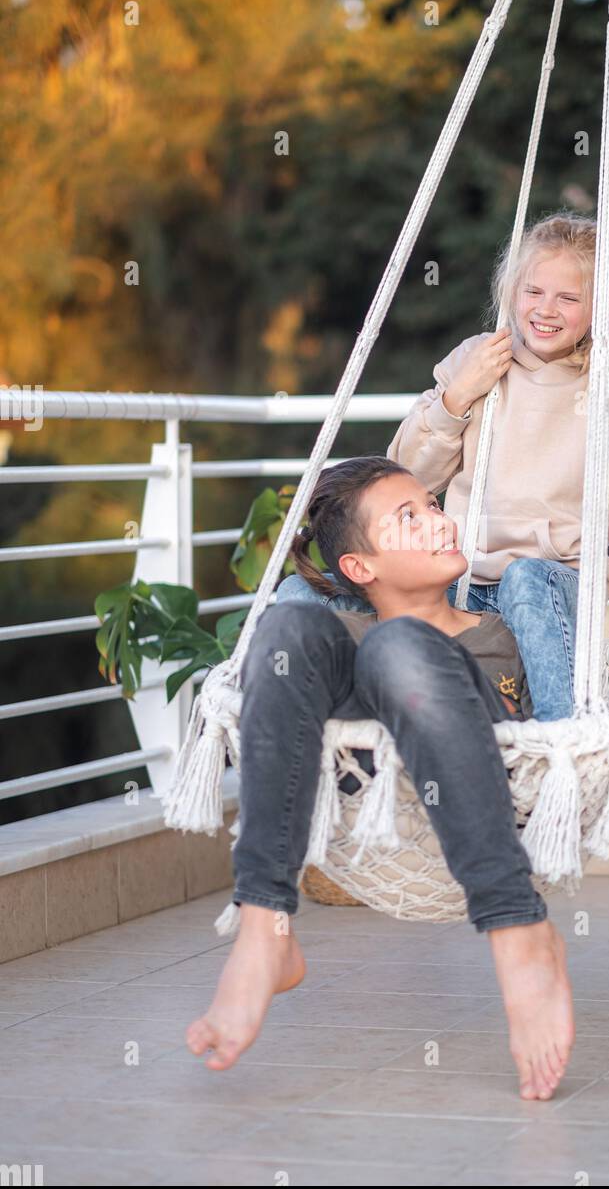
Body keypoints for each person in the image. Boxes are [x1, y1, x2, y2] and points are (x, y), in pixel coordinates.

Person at [187, 456, 575, 1101]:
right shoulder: (350, 640)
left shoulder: (509, 629)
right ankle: (264, 929)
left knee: (402, 647)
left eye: (431, 505)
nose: (437, 523)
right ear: (360, 570)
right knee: (286, 628)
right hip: (382, 798)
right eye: (408, 517)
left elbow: (565, 722)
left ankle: (519, 932)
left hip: (495, 797)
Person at [277, 211, 609, 720]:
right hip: (457, 581)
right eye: (533, 291)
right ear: (511, 291)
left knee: (525, 579)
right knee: (300, 593)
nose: (546, 310)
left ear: (603, 308)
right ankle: (285, 721)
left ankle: (563, 743)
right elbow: (409, 476)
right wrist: (457, 395)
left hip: (553, 591)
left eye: (570, 298)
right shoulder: (478, 359)